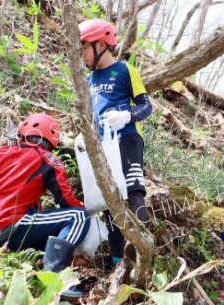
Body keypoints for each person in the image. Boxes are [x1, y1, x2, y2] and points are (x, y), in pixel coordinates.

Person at [0, 114, 90, 299]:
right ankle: (56, 277)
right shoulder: (48, 159)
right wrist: (84, 207)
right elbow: (65, 200)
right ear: (52, 140)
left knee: (48, 219)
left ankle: (44, 262)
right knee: (79, 216)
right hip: (16, 226)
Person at [79, 18, 158, 266]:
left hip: (127, 139)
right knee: (108, 201)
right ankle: (117, 260)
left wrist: (127, 116)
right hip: (102, 146)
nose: (81, 54)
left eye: (83, 47)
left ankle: (142, 255)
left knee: (134, 192)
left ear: (100, 44)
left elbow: (147, 106)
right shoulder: (89, 81)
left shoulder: (125, 71)